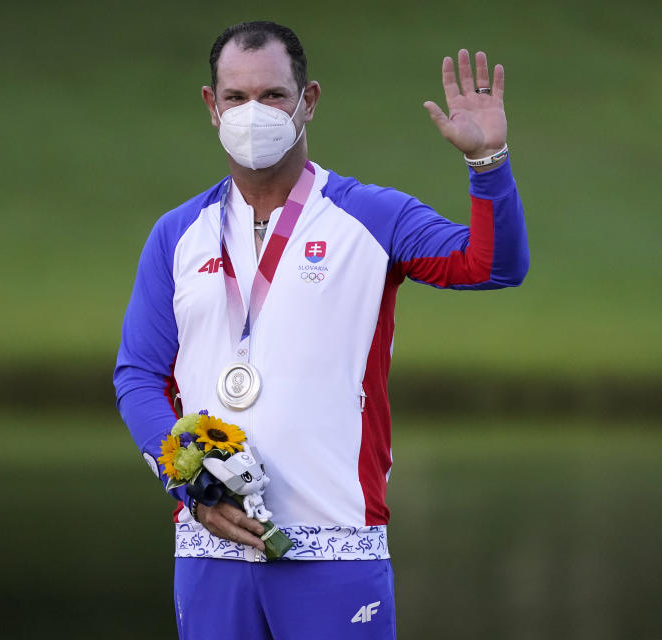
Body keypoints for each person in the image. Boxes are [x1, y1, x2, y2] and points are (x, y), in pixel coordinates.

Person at [113, 20, 528, 640]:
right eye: (236, 97)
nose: (254, 112)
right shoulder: (177, 234)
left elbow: (492, 266)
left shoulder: (371, 215)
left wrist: (486, 162)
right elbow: (138, 376)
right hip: (210, 549)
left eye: (274, 95)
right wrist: (189, 485)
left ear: (308, 101)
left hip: (337, 547)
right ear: (211, 106)